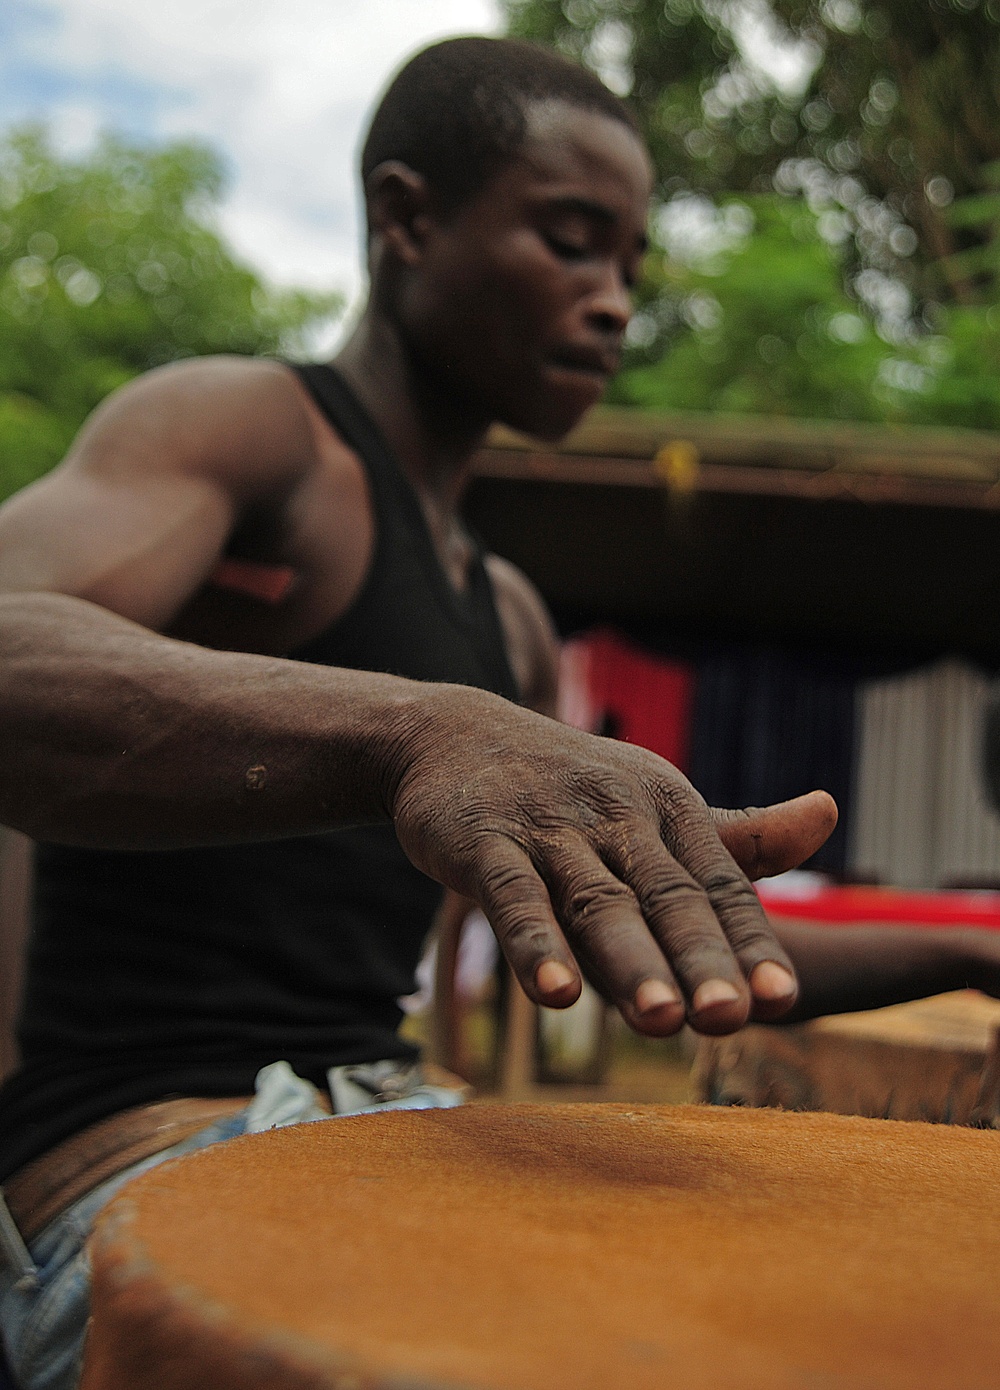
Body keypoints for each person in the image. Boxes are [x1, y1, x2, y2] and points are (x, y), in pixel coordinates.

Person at [0, 34, 991, 1390]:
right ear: (406, 218)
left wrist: (977, 952)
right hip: (144, 1154)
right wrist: (422, 729)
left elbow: (680, 935)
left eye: (631, 269)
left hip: (388, 1127)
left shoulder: (509, 614)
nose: (612, 303)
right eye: (571, 242)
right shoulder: (249, 432)